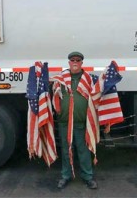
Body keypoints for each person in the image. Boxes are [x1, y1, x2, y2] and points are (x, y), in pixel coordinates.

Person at [52, 51, 98, 189]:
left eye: (78, 60)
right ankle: (65, 176)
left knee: (83, 150)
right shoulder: (61, 79)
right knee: (66, 150)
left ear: (82, 63)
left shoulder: (88, 79)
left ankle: (88, 177)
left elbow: (96, 95)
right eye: (73, 60)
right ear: (69, 63)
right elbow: (53, 95)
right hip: (64, 122)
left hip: (81, 122)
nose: (75, 62)